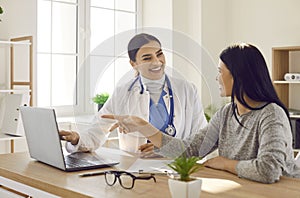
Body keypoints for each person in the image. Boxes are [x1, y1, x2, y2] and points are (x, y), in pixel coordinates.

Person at [102, 43, 300, 183]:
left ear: (238, 75)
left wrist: (224, 163)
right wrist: (143, 127)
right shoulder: (225, 114)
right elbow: (188, 149)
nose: (216, 78)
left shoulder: (271, 115)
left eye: (220, 71)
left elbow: (268, 171)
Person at [59, 33, 207, 154]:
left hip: (176, 169)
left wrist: (165, 148)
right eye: (147, 58)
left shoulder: (187, 90)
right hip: (134, 169)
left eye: (159, 54)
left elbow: (200, 139)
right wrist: (77, 139)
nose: (157, 62)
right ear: (133, 64)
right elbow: (96, 133)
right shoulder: (122, 93)